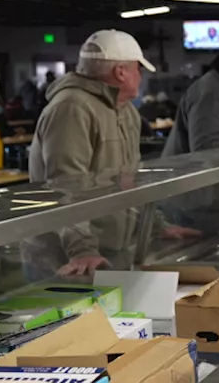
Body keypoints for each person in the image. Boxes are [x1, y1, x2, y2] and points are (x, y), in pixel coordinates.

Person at [26, 29, 196, 278]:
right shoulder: (71, 107)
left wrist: (157, 226)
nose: (140, 75)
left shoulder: (127, 112)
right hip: (67, 262)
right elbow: (65, 185)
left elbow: (131, 180)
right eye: (138, 68)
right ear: (120, 72)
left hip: (109, 252)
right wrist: (81, 249)